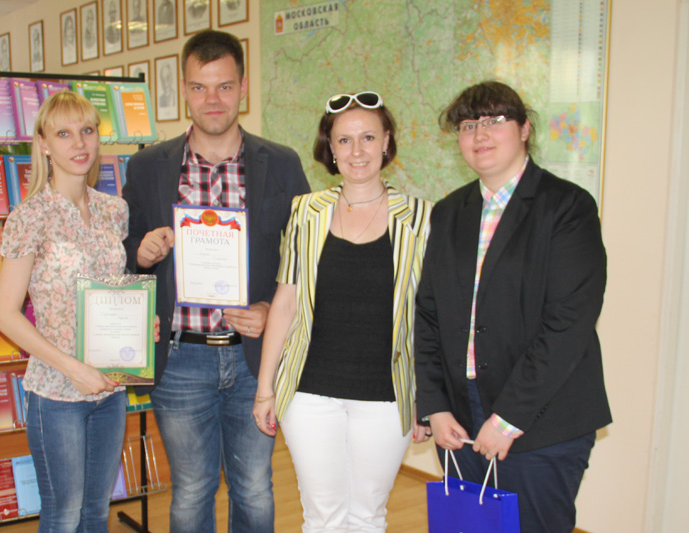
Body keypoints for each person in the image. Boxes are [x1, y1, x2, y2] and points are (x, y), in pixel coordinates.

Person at [122, 29, 310, 532]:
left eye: (225, 86)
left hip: (255, 359)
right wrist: (140, 253)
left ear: (243, 88)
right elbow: (123, 253)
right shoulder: (148, 166)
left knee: (254, 487)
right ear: (184, 90)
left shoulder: (282, 163)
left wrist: (269, 308)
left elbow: (303, 257)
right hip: (181, 358)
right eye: (200, 87)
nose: (213, 100)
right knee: (191, 490)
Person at [414, 81, 611, 533]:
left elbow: (567, 324)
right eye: (468, 125)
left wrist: (506, 420)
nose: (480, 134)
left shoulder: (567, 207)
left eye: (495, 120)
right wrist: (435, 406)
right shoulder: (449, 211)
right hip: (459, 417)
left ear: (524, 129)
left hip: (541, 418)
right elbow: (428, 315)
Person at [252, 92, 433, 532]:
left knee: (368, 516)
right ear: (330, 148)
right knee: (322, 517)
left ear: (386, 141)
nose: (357, 151)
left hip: (387, 395)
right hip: (310, 392)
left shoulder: (421, 218)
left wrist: (429, 400)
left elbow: (429, 316)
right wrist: (264, 389)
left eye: (368, 137)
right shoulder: (306, 211)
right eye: (344, 140)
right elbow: (285, 302)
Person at [0, 91, 159, 532]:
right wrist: (73, 369)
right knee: (64, 515)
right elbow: (5, 315)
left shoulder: (114, 210)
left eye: (87, 130)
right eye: (64, 133)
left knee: (95, 512)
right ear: (44, 144)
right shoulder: (29, 217)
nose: (79, 143)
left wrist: (141, 322)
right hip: (57, 393)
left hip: (110, 388)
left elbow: (115, 287)